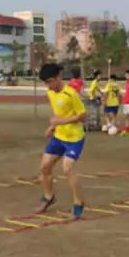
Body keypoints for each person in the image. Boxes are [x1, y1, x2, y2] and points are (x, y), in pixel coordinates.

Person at [36, 63, 87, 219]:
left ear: (59, 77)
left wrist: (60, 122)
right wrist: (53, 127)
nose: (48, 85)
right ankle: (48, 196)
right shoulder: (50, 93)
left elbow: (82, 117)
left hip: (74, 138)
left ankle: (78, 203)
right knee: (44, 167)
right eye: (46, 83)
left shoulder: (71, 94)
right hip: (59, 137)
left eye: (50, 81)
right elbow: (58, 113)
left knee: (67, 168)